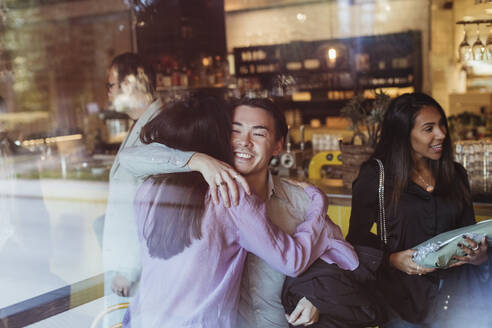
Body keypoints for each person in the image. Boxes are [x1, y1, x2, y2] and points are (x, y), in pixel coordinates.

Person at [121, 94, 358, 328]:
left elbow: (345, 259)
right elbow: (292, 260)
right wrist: (200, 160)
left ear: (278, 145)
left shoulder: (149, 189)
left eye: (258, 133)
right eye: (234, 131)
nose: (244, 141)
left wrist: (316, 294)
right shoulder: (231, 196)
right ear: (220, 138)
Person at [346, 92, 489, 327]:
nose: (441, 134)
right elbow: (355, 240)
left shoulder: (455, 174)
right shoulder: (376, 176)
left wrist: (479, 255)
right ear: (404, 134)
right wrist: (391, 260)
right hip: (400, 303)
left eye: (442, 125)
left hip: (457, 302)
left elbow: (468, 234)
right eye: (429, 128)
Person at [102, 52, 165, 326]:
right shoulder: (143, 124)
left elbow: (155, 209)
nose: (108, 93)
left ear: (128, 84)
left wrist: (127, 268)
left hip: (139, 271)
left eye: (110, 86)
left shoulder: (159, 129)